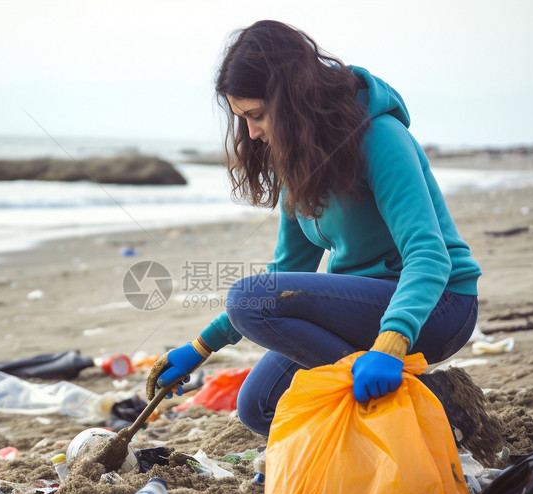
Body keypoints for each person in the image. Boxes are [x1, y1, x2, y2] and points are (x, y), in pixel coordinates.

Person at [147, 20, 481, 436]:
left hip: (439, 307)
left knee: (248, 297)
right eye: (242, 118)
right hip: (365, 312)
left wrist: (391, 345)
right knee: (258, 407)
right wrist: (200, 347)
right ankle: (373, 432)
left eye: (257, 115)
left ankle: (421, 402)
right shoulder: (299, 158)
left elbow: (428, 256)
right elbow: (285, 271)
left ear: (291, 99)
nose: (251, 133)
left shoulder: (380, 136)